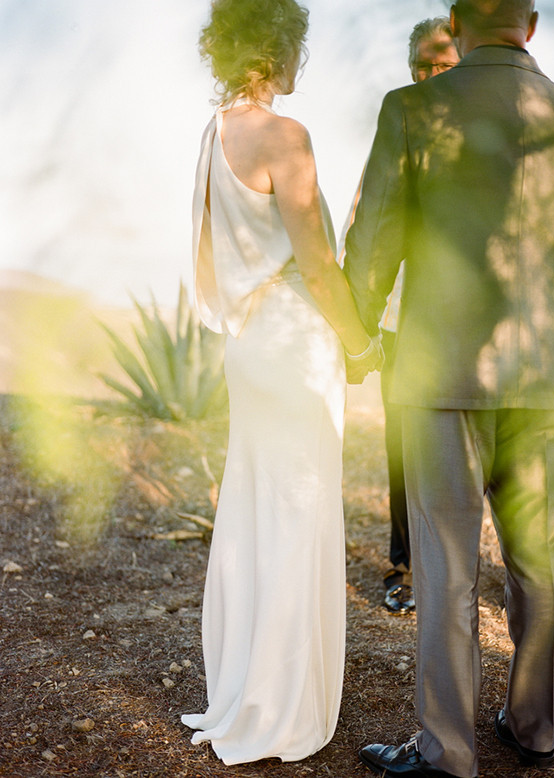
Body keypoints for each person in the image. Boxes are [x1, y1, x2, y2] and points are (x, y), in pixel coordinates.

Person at [343, 1, 554, 776]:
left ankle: (448, 755)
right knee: (545, 563)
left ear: (456, 20)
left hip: (440, 375)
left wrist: (358, 334)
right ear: (531, 24)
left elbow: (375, 233)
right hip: (551, 382)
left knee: (445, 566)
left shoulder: (413, 107)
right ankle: (537, 729)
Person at [181, 0, 381, 766]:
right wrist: (360, 343)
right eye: (298, 46)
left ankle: (245, 684)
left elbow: (209, 259)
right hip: (297, 344)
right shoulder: (284, 136)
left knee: (255, 513)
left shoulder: (214, 136)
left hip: (249, 346)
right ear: (276, 48)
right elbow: (319, 263)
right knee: (298, 516)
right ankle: (284, 705)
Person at [380, 16, 459, 616]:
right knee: (403, 452)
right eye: (421, 67)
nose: (431, 77)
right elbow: (369, 223)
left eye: (443, 65)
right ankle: (404, 566)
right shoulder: (400, 125)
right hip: (401, 326)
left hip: (471, 329)